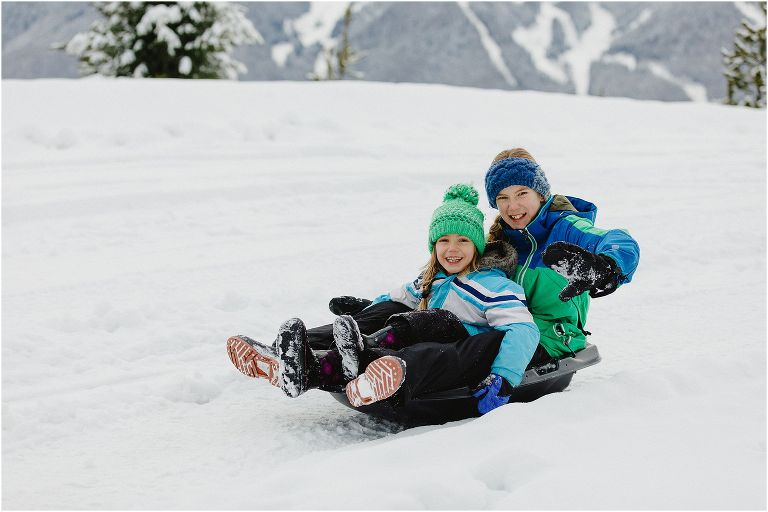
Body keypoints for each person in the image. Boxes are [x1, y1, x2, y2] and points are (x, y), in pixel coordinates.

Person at [227, 184, 539, 412]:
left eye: (462, 241)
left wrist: (504, 377)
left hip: (457, 348)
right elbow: (395, 298)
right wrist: (367, 310)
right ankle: (293, 355)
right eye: (443, 240)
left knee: (428, 320)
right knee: (393, 308)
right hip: (410, 332)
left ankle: (366, 364)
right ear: (433, 246)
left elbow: (524, 329)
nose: (452, 249)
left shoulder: (494, 285)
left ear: (477, 246)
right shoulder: (431, 279)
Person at [482, 148, 639, 366]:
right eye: (503, 197)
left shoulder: (566, 228)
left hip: (553, 338)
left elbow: (620, 241)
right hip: (506, 330)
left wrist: (606, 266)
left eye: (522, 193)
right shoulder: (498, 242)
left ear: (540, 193)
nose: (513, 206)